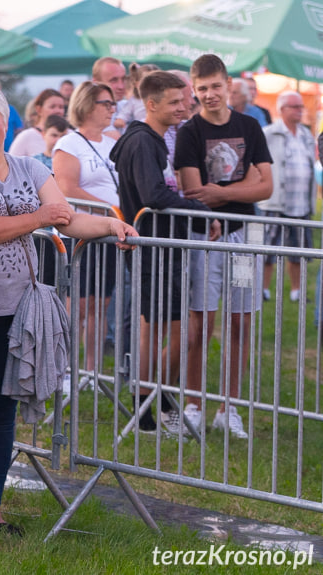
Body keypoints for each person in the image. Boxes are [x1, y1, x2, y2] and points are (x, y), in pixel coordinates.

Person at [0, 80, 136, 537]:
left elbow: (66, 216)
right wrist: (40, 219)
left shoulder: (30, 166)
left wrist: (108, 224)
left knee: (2, 409)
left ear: (6, 121)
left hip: (18, 309)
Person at [110, 71, 219, 436]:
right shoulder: (142, 142)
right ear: (151, 104)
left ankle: (155, 404)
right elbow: (153, 195)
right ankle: (154, 407)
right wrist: (201, 212)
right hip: (153, 250)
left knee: (163, 329)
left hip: (161, 248)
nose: (183, 106)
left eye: (183, 99)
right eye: (174, 102)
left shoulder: (151, 139)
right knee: (170, 331)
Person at [174, 54, 273, 439]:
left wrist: (222, 191)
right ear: (194, 91)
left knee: (241, 320)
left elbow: (266, 187)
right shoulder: (189, 132)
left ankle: (230, 408)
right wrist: (240, 186)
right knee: (201, 321)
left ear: (228, 84)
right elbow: (193, 192)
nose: (210, 95)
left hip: (245, 234)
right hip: (205, 236)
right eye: (202, 89)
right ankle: (194, 404)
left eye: (216, 86)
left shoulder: (250, 126)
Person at [52, 80, 121, 383]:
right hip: (80, 231)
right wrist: (110, 208)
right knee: (77, 304)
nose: (112, 109)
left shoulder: (113, 141)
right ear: (88, 105)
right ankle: (65, 369)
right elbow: (67, 188)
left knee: (100, 303)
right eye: (106, 103)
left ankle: (91, 371)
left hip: (108, 232)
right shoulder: (68, 144)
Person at [260, 91, 315, 303]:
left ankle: (296, 291)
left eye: (301, 106)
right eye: (295, 106)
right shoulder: (269, 133)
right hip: (275, 201)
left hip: (300, 202)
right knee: (267, 249)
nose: (300, 110)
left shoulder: (305, 135)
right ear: (282, 109)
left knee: (298, 250)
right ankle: (263, 289)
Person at [9, 89, 66, 157]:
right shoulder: (26, 136)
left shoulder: (71, 134)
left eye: (61, 107)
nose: (58, 111)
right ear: (39, 109)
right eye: (52, 107)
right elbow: (11, 164)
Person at [113, 63, 159, 131]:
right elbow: (122, 117)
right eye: (146, 82)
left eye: (155, 81)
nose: (151, 85)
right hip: (142, 131)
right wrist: (121, 121)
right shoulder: (134, 101)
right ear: (137, 84)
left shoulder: (163, 99)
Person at [92, 57, 127, 139]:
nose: (121, 86)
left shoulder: (128, 106)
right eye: (114, 80)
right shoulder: (89, 117)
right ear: (96, 82)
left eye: (123, 79)